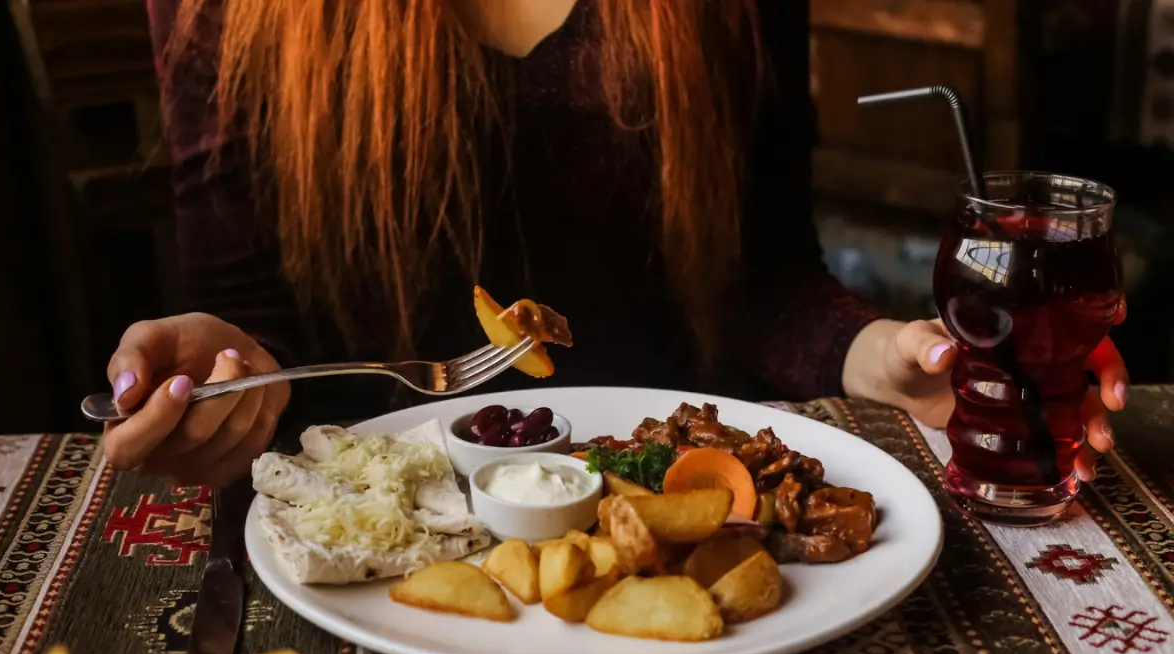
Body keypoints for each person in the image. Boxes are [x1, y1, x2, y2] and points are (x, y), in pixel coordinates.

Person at [104, 0, 1128, 487]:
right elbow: (256, 327)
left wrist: (886, 361)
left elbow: (760, 283)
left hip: (684, 495)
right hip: (373, 515)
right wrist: (230, 382)